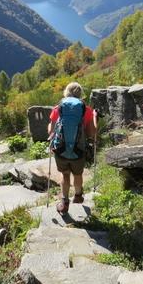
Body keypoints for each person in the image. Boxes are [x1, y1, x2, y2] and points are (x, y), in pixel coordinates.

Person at [48, 82, 97, 214]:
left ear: (66, 93)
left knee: (65, 174)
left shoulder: (58, 108)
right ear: (80, 94)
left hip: (60, 149)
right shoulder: (86, 110)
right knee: (78, 174)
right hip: (78, 150)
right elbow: (91, 133)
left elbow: (51, 131)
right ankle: (78, 195)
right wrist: (94, 118)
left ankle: (64, 203)